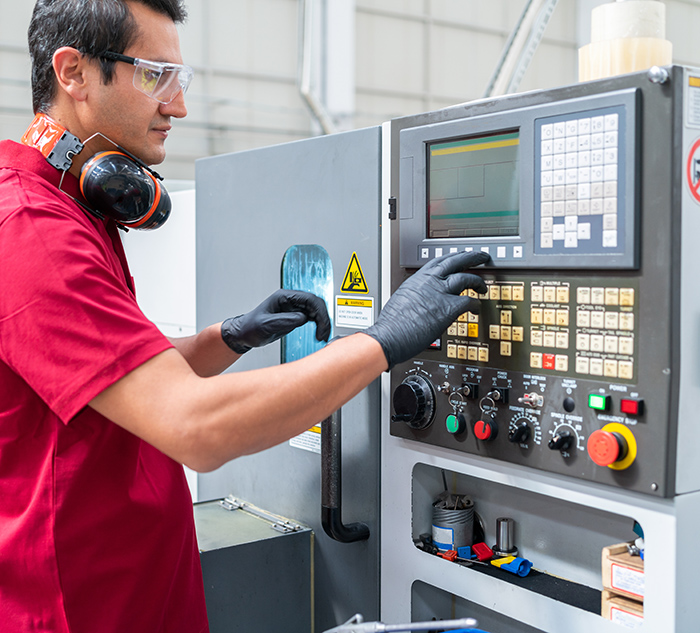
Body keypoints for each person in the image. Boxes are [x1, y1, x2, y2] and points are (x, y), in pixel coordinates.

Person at [0, 1, 490, 631]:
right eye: (154, 76)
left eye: (181, 81)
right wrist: (384, 340)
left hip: (136, 598)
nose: (176, 106)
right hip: (82, 609)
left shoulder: (75, 212)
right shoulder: (33, 229)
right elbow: (196, 430)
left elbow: (114, 382)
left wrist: (224, 338)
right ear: (73, 72)